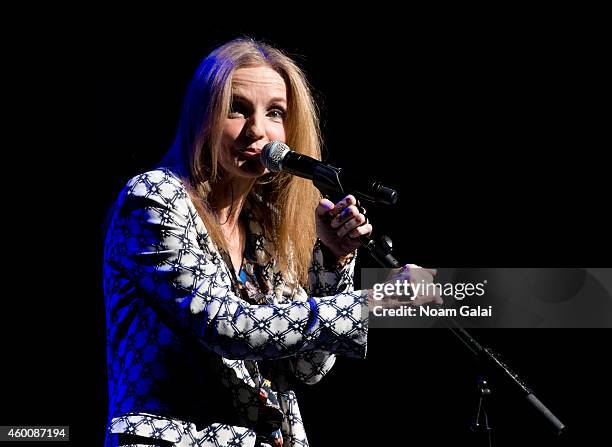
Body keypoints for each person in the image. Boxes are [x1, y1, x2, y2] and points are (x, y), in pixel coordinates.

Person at [103, 37, 440, 447]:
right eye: (236, 108)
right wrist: (375, 301)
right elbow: (226, 327)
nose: (257, 131)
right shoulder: (154, 198)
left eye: (274, 113)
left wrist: (335, 264)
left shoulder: (264, 226)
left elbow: (305, 367)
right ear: (202, 116)